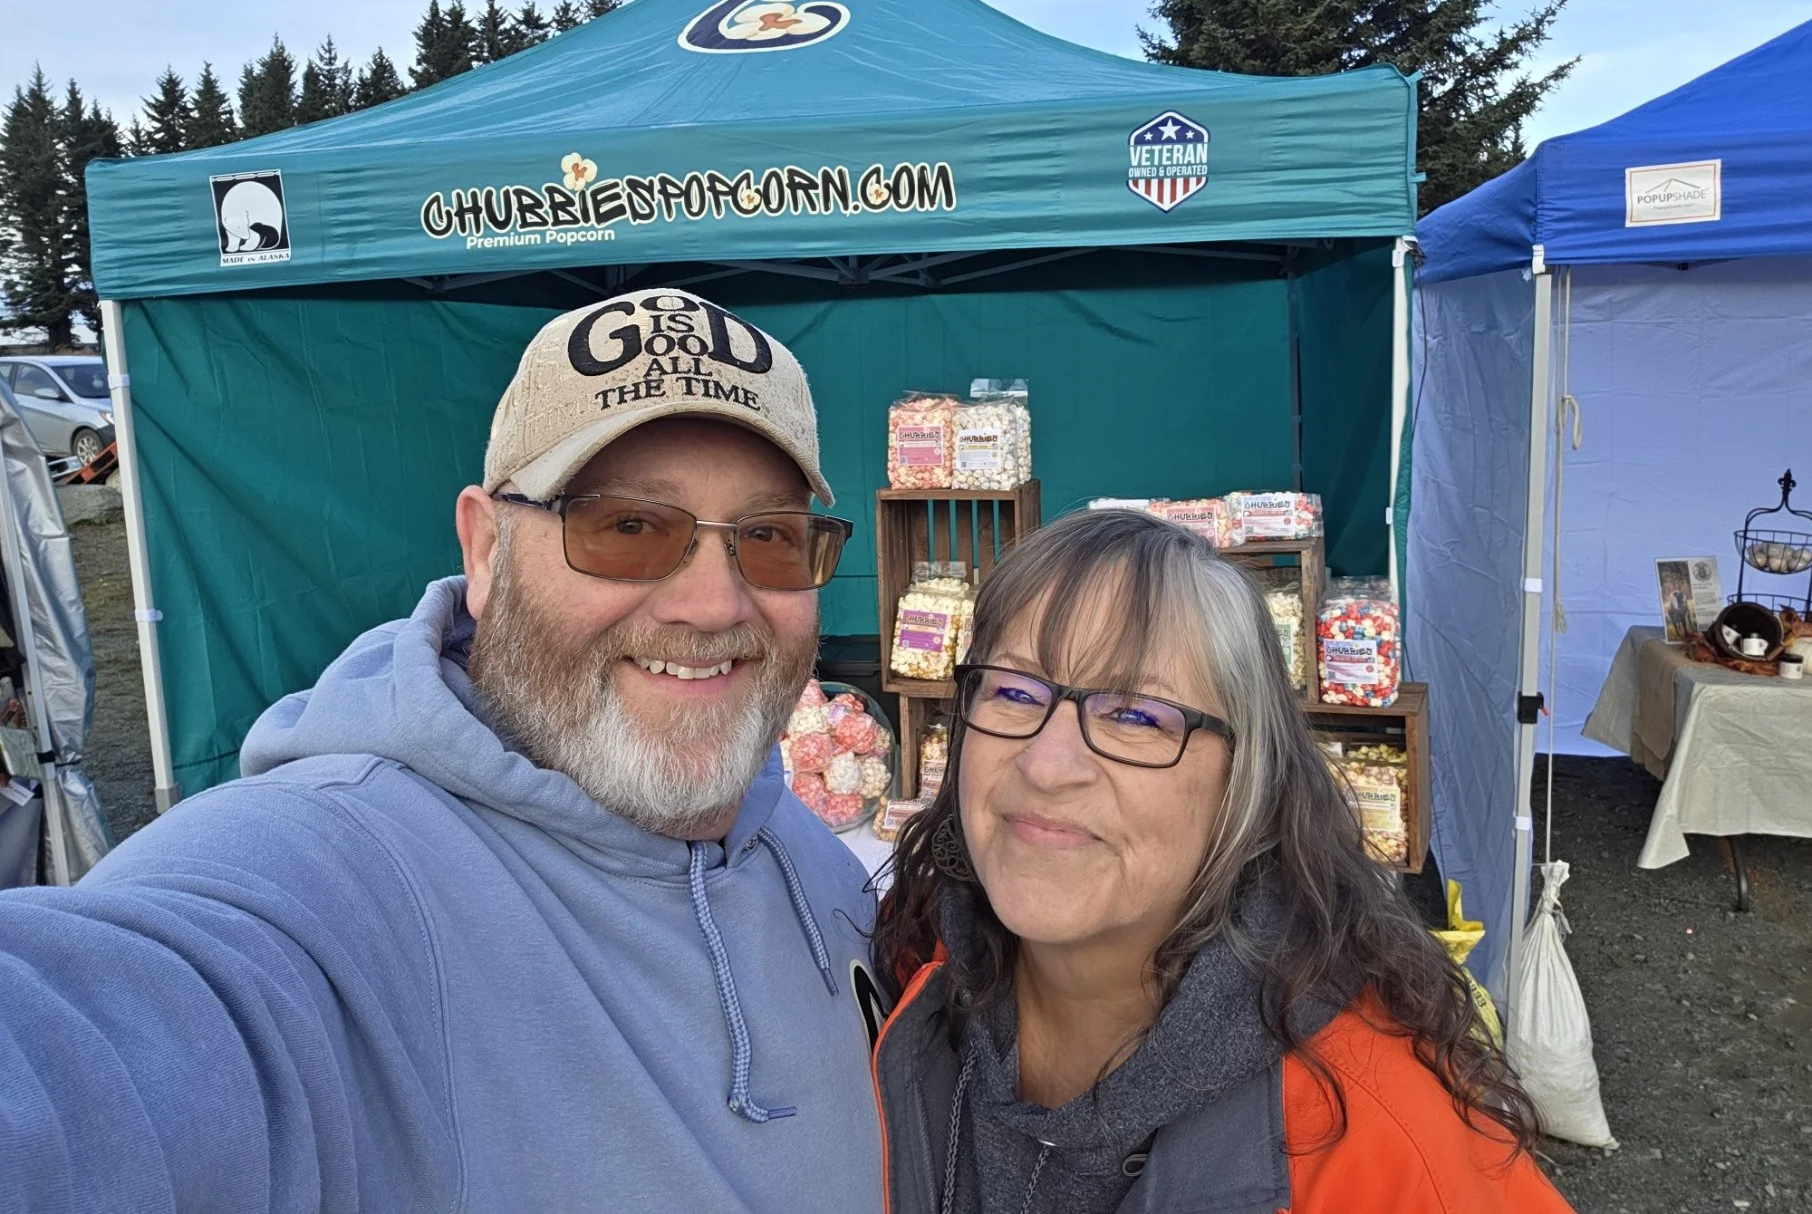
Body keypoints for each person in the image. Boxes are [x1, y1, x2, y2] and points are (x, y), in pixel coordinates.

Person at [0, 291, 884, 1213]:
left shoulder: (801, 839)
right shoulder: (329, 880)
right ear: (488, 549)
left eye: (770, 537)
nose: (714, 604)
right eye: (627, 526)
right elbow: (94, 1052)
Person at [872, 509, 1574, 1214]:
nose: (1047, 763)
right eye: (1015, 692)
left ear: (1246, 782)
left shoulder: (1388, 1141)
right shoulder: (902, 977)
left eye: (1136, 714)